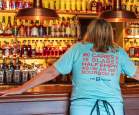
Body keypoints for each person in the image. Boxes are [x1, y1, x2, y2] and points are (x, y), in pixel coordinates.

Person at [0, 18, 139, 115]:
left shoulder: (78, 48)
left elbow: (51, 72)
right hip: (113, 108)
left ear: (89, 31)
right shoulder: (118, 51)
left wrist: (21, 88)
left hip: (81, 108)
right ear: (111, 32)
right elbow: (136, 74)